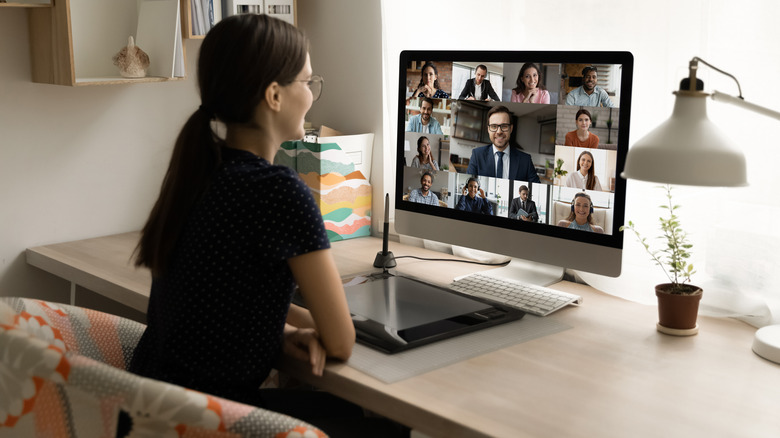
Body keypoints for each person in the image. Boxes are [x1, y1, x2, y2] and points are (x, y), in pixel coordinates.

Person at [129, 15, 406, 437]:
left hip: (154, 411)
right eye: (307, 83)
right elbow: (340, 341)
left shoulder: (200, 171)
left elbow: (212, 302)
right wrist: (294, 327)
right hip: (211, 422)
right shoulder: (278, 190)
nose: (312, 98)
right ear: (274, 95)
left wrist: (277, 331)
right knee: (387, 428)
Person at [466, 105, 540, 183]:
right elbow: (470, 185)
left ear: (511, 129)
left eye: (504, 126)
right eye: (494, 126)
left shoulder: (525, 160)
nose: (499, 132)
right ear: (488, 129)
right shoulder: (477, 155)